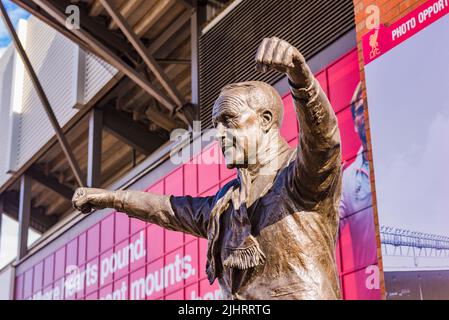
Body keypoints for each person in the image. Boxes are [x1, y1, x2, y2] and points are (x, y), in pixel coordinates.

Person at [72, 37, 342, 300]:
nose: (220, 134)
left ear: (266, 120)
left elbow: (324, 142)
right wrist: (112, 199)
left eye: (229, 120)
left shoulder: (301, 177)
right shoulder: (225, 205)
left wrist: (301, 79)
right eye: (217, 125)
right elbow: (168, 209)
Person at [339, 83, 372, 219]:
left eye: (368, 107)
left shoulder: (402, 158)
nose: (365, 114)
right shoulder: (346, 180)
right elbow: (333, 228)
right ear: (355, 125)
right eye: (360, 111)